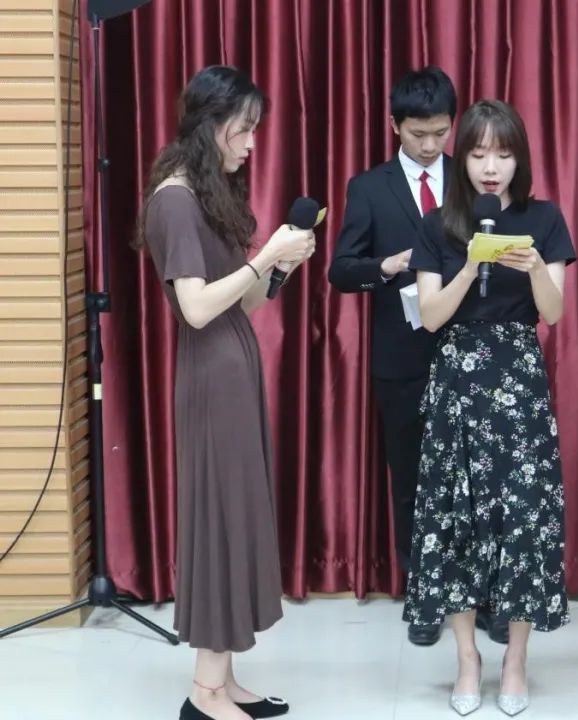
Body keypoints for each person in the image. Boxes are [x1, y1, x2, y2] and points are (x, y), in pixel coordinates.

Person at [136, 66, 316, 720]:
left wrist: (280, 269)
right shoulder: (174, 201)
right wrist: (264, 256)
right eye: (243, 130)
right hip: (212, 376)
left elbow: (244, 299)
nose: (251, 144)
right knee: (218, 519)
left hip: (232, 367)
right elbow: (195, 309)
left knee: (236, 515)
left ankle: (224, 678)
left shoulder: (206, 193)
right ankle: (204, 692)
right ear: (210, 125)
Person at [403, 99, 574, 717]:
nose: (491, 167)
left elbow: (553, 313)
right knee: (453, 518)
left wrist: (534, 268)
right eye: (478, 154)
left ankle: (516, 661)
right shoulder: (437, 225)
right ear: (463, 159)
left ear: (519, 159)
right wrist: (470, 263)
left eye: (503, 154)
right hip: (456, 379)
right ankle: (467, 658)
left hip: (519, 380)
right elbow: (429, 317)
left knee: (523, 518)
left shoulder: (544, 219)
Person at [329, 66, 502, 647]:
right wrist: (389, 265)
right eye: (417, 134)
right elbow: (341, 270)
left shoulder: (473, 179)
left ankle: (485, 595)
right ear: (394, 125)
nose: (430, 146)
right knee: (412, 481)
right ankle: (424, 597)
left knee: (480, 480)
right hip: (402, 359)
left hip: (472, 352)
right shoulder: (368, 188)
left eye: (440, 133)